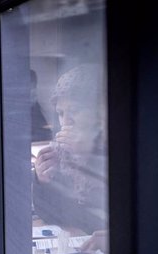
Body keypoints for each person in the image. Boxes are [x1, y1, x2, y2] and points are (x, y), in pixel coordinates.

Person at [32, 64, 108, 235]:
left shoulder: (123, 146)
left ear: (99, 112)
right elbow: (51, 216)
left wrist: (90, 154)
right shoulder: (63, 155)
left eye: (75, 110)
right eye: (60, 113)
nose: (66, 121)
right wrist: (43, 180)